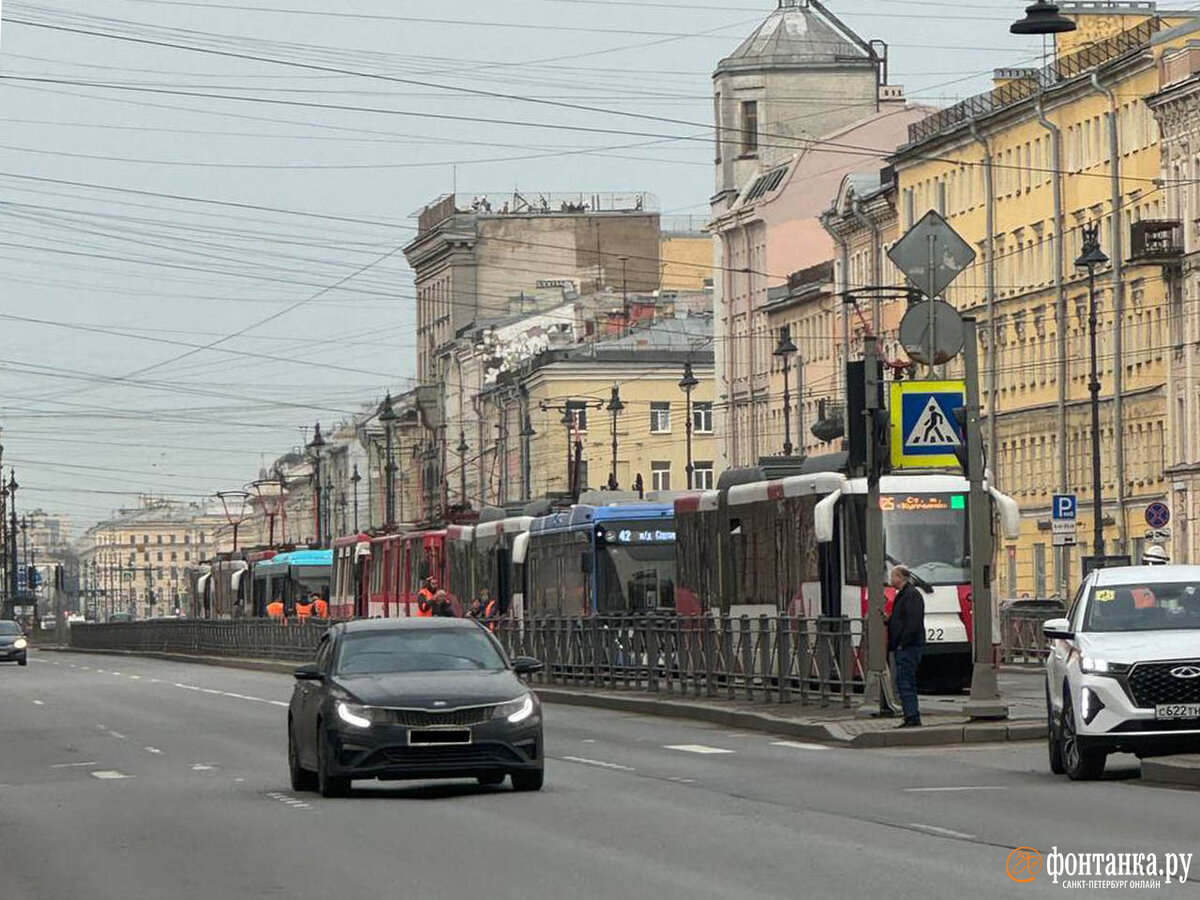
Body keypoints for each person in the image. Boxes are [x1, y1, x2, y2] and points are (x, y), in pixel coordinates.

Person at [886, 565, 926, 728]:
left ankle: (911, 716)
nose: (891, 580)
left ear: (901, 577)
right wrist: (889, 621)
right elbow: (902, 619)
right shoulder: (904, 595)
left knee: (904, 681)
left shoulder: (910, 595)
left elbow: (912, 622)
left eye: (893, 576)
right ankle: (910, 714)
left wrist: (902, 643)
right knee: (906, 680)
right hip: (905, 645)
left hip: (908, 647)